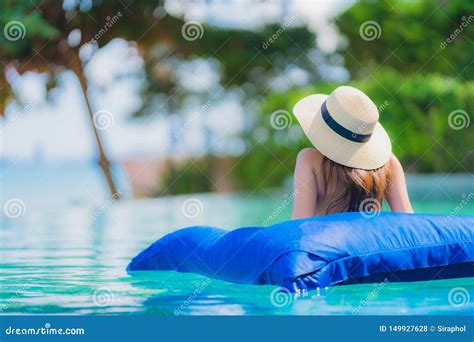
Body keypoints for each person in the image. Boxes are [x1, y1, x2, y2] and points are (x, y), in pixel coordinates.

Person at [291, 86, 413, 219]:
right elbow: (408, 222)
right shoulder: (389, 163)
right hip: (370, 239)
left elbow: (300, 225)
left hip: (327, 240)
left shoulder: (309, 159)